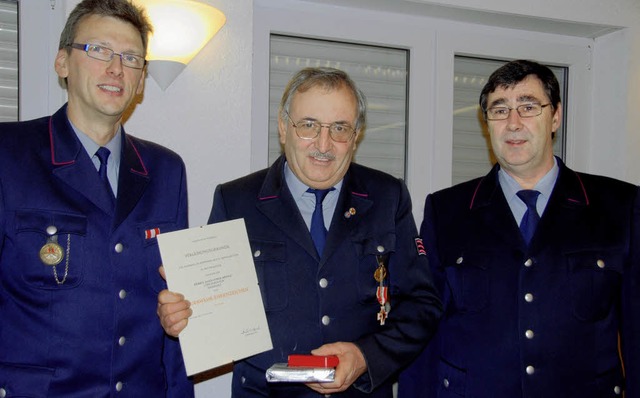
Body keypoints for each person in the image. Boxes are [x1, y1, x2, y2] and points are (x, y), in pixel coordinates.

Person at [157, 67, 442, 397]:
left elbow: (421, 305)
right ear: (283, 127)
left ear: (356, 135)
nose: (323, 144)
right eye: (308, 126)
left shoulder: (387, 198)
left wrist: (366, 357)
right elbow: (213, 312)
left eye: (339, 128)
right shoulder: (237, 201)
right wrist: (183, 317)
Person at [399, 59, 640, 398]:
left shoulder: (619, 206)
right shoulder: (447, 211)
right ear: (487, 125)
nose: (513, 123)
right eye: (499, 110)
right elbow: (424, 327)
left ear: (555, 116)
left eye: (528, 107)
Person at [0, 0, 193, 396]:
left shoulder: (166, 171)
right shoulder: (9, 154)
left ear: (140, 81)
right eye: (98, 50)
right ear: (62, 63)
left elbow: (175, 307)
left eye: (131, 58)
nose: (116, 68)